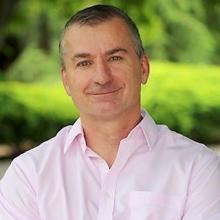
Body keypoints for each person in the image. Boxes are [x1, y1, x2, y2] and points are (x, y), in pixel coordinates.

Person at [0, 4, 220, 220]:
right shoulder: (29, 175)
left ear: (143, 68)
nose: (102, 77)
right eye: (84, 63)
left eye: (115, 58)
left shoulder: (199, 169)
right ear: (66, 80)